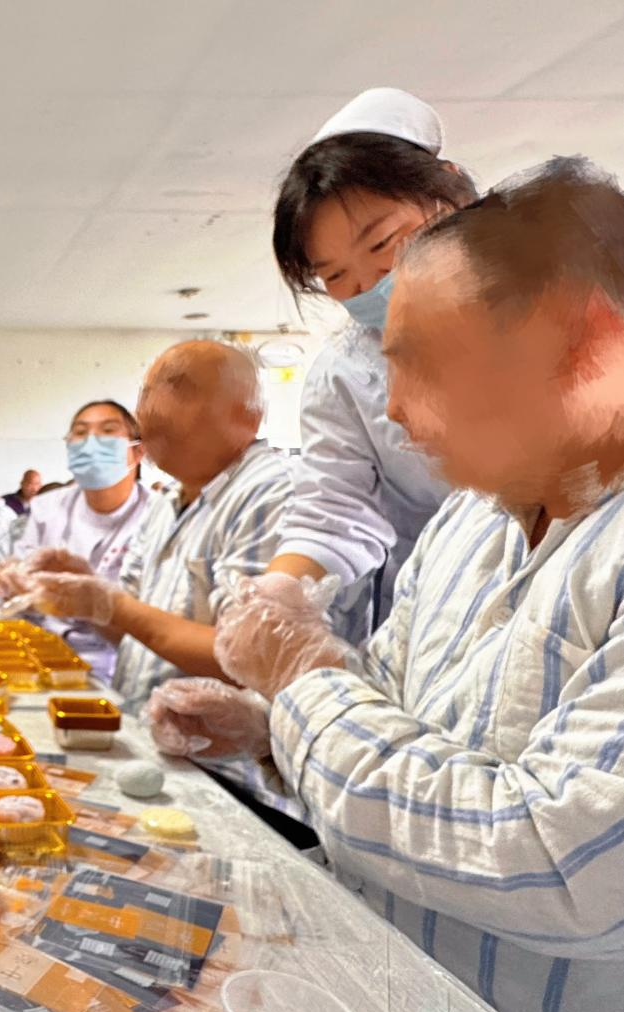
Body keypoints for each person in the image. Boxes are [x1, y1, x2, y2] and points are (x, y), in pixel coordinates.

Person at [169, 159, 624, 1012]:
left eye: (428, 367)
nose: (399, 415)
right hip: (374, 986)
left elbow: (563, 869)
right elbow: (386, 709)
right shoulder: (466, 523)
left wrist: (300, 682)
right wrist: (268, 731)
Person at [21, 342, 304, 837]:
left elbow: (248, 659)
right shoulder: (167, 501)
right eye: (147, 391)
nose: (151, 409)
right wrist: (88, 593)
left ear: (248, 413)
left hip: (233, 781)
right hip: (154, 751)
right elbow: (131, 632)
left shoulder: (271, 490)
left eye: (178, 389)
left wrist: (112, 604)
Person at [257, 87, 479, 642]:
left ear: (450, 193)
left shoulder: (558, 305)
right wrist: (273, 600)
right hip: (435, 618)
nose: (369, 285)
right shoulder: (347, 371)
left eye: (383, 244)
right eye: (335, 276)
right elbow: (333, 511)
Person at [0, 399, 152, 681]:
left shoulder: (158, 517)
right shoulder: (48, 507)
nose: (91, 443)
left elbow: (156, 629)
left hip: (121, 666)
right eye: (80, 433)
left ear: (137, 451)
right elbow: (23, 587)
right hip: (43, 655)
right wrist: (10, 581)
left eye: (107, 431)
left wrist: (94, 602)